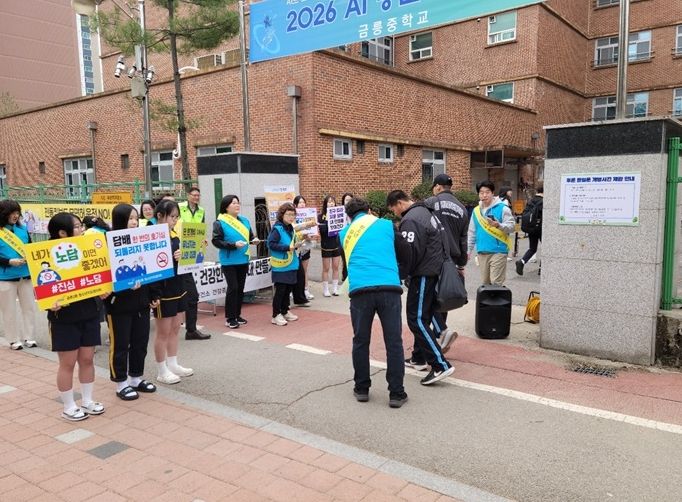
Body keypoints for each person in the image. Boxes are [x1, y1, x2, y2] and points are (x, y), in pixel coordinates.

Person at [340, 197, 409, 408]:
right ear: (369, 210)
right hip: (389, 288)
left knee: (361, 340)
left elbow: (346, 265)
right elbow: (405, 251)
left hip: (360, 290)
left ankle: (361, 388)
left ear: (349, 216)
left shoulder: (344, 234)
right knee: (394, 341)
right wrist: (398, 273)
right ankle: (396, 393)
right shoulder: (387, 225)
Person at [386, 190, 454, 386]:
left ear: (399, 203)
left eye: (394, 209)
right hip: (434, 270)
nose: (395, 213)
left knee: (416, 319)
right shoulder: (427, 212)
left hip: (423, 273)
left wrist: (401, 274)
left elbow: (409, 252)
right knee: (424, 316)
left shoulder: (411, 219)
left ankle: (440, 365)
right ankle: (421, 356)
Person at [46, 212, 107, 421]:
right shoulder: (46, 255)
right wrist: (49, 303)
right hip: (64, 317)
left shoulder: (88, 250)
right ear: (62, 232)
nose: (82, 230)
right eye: (78, 226)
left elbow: (100, 276)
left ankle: (87, 400)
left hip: (89, 311)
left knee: (87, 359)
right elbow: (41, 288)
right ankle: (69, 406)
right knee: (68, 363)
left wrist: (103, 290)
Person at [105, 204, 160, 401]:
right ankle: (121, 382)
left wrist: (154, 295)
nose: (134, 222)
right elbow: (104, 277)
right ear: (120, 220)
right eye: (130, 219)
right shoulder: (107, 244)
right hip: (118, 304)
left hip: (141, 302)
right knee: (120, 344)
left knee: (140, 342)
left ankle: (136, 378)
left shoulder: (142, 240)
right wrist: (124, 287)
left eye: (136, 218)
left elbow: (152, 269)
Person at [424, 174, 469, 354]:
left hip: (432, 258)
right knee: (444, 298)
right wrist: (461, 264)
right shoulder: (462, 208)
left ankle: (440, 334)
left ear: (437, 187)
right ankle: (440, 336)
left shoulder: (430, 202)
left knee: (428, 298)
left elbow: (423, 227)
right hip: (452, 259)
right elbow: (463, 240)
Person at [152, 200, 194, 384]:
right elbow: (153, 263)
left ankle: (173, 363)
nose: (175, 220)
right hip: (162, 289)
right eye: (172, 217)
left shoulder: (175, 235)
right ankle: (161, 370)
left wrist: (187, 253)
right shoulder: (152, 237)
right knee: (163, 331)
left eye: (177, 217)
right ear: (160, 216)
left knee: (176, 326)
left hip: (178, 285)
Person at [212, 195, 255, 329]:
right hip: (229, 260)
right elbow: (216, 241)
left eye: (238, 203)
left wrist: (254, 240)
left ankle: (237, 314)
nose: (237, 205)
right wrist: (233, 245)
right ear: (226, 207)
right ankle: (230, 318)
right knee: (233, 287)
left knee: (240, 288)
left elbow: (250, 236)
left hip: (243, 259)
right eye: (233, 203)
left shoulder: (245, 221)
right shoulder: (220, 222)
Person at [0, 200, 38, 350]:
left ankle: (30, 337)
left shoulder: (23, 229)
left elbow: (31, 247)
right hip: (5, 277)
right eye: (12, 213)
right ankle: (13, 339)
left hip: (26, 275)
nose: (15, 216)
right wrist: (9, 261)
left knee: (29, 307)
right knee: (9, 310)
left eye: (17, 213)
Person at [467, 180, 515, 286]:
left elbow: (512, 227)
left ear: (493, 193)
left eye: (487, 192)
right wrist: (468, 251)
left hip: (498, 251)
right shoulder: (476, 211)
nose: (484, 195)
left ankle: (497, 296)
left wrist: (499, 225)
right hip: (482, 251)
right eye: (481, 192)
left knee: (496, 283)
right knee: (485, 284)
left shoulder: (503, 208)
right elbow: (472, 232)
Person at [178, 187, 210, 340]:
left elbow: (200, 229)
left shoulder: (201, 210)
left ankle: (191, 330)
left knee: (192, 296)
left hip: (189, 253)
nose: (196, 197)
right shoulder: (180, 207)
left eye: (198, 195)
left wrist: (202, 241)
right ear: (188, 195)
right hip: (178, 249)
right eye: (194, 195)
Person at [267, 203, 301, 326]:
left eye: (293, 215)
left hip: (291, 263)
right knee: (280, 290)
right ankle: (275, 314)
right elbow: (271, 244)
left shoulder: (291, 228)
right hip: (281, 265)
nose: (291, 217)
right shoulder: (277, 229)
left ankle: (285, 311)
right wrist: (287, 247)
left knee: (288, 290)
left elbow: (293, 243)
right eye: (288, 214)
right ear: (282, 215)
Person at [516, 183, 544, 276]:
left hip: (531, 228)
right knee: (545, 249)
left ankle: (522, 261)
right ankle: (541, 269)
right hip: (541, 228)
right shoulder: (543, 201)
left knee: (532, 248)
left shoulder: (531, 201)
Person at [292, 195, 314, 305]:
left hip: (305, 246)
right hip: (295, 247)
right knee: (295, 270)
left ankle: (305, 290)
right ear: (295, 205)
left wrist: (311, 236)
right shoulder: (292, 218)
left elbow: (313, 231)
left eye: (303, 202)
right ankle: (294, 291)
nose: (302, 204)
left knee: (304, 270)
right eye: (300, 202)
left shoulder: (309, 215)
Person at [317, 195, 341, 297]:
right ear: (325, 204)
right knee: (326, 268)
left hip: (336, 244)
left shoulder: (339, 214)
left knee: (336, 267)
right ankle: (326, 289)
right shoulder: (321, 216)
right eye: (329, 202)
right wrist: (327, 222)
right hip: (326, 245)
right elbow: (322, 231)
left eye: (332, 202)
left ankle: (335, 288)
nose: (331, 203)